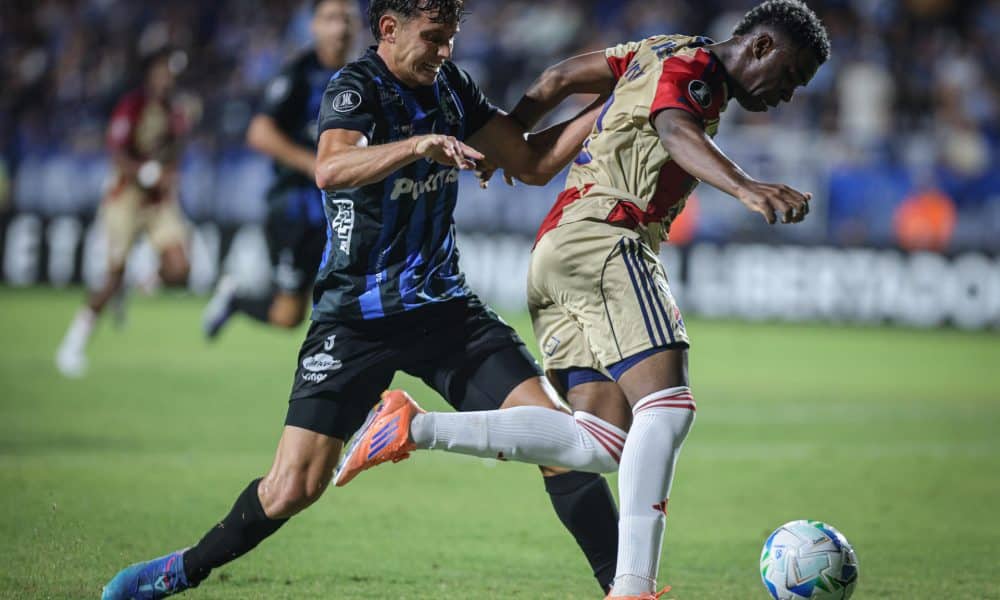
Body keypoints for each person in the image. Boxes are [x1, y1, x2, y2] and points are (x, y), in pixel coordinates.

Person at [101, 2, 623, 598]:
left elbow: (529, 161)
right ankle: (180, 570)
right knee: (291, 488)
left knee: (558, 440)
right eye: (434, 38)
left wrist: (610, 108)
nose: (445, 51)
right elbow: (330, 167)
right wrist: (417, 146)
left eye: (451, 38)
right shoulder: (355, 87)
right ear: (389, 29)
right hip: (355, 319)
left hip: (442, 310)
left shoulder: (450, 85)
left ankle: (624, 589)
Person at [337, 1, 830, 599]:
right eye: (790, 76)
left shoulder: (660, 48)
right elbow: (676, 129)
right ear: (760, 48)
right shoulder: (697, 72)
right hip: (606, 238)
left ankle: (412, 427)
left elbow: (556, 79)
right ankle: (632, 589)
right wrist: (745, 186)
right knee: (668, 406)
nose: (787, 95)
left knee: (602, 442)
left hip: (558, 251)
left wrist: (509, 138)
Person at [203, 0, 359, 338]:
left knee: (350, 298)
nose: (340, 28)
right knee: (288, 315)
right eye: (331, 18)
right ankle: (235, 299)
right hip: (295, 209)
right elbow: (259, 132)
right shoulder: (299, 74)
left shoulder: (362, 76)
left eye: (347, 19)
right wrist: (313, 165)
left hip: (340, 210)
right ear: (313, 26)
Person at [55, 47, 193, 378]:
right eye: (162, 72)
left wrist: (168, 175)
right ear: (152, 74)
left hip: (157, 200)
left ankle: (142, 279)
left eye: (171, 74)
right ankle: (72, 344)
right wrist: (145, 172)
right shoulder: (133, 105)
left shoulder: (178, 113)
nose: (167, 79)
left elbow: (174, 157)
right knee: (112, 276)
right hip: (125, 196)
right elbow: (116, 152)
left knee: (180, 268)